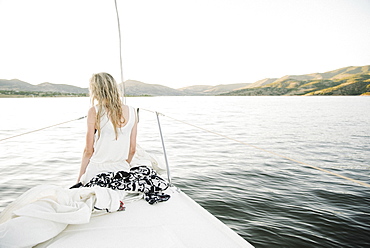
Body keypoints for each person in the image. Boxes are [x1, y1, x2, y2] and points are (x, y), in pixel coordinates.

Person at [77, 72, 138, 185]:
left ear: (95, 91)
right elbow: (132, 149)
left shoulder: (94, 111)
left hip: (96, 172)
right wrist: (124, 166)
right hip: (121, 172)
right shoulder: (132, 111)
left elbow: (88, 151)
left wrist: (79, 179)